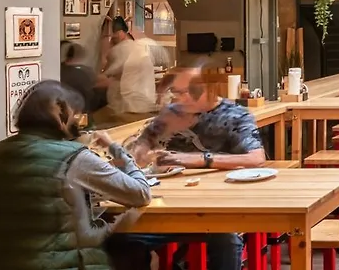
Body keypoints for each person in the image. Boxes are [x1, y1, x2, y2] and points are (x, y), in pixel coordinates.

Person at [110, 66, 265, 270]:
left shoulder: (235, 115)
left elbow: (256, 158)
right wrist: (143, 156)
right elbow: (138, 150)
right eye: (177, 92)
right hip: (169, 206)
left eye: (188, 92)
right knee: (120, 239)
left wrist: (193, 160)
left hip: (216, 208)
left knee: (226, 240)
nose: (181, 98)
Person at [0, 80, 152, 270]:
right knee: (136, 251)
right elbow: (140, 194)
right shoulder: (74, 157)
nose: (79, 122)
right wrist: (116, 149)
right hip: (62, 265)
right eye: (76, 114)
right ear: (62, 115)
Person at [101, 17, 156, 119]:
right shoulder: (141, 47)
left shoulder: (119, 50)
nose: (112, 38)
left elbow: (106, 74)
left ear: (120, 33)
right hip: (146, 102)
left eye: (113, 35)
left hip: (128, 105)